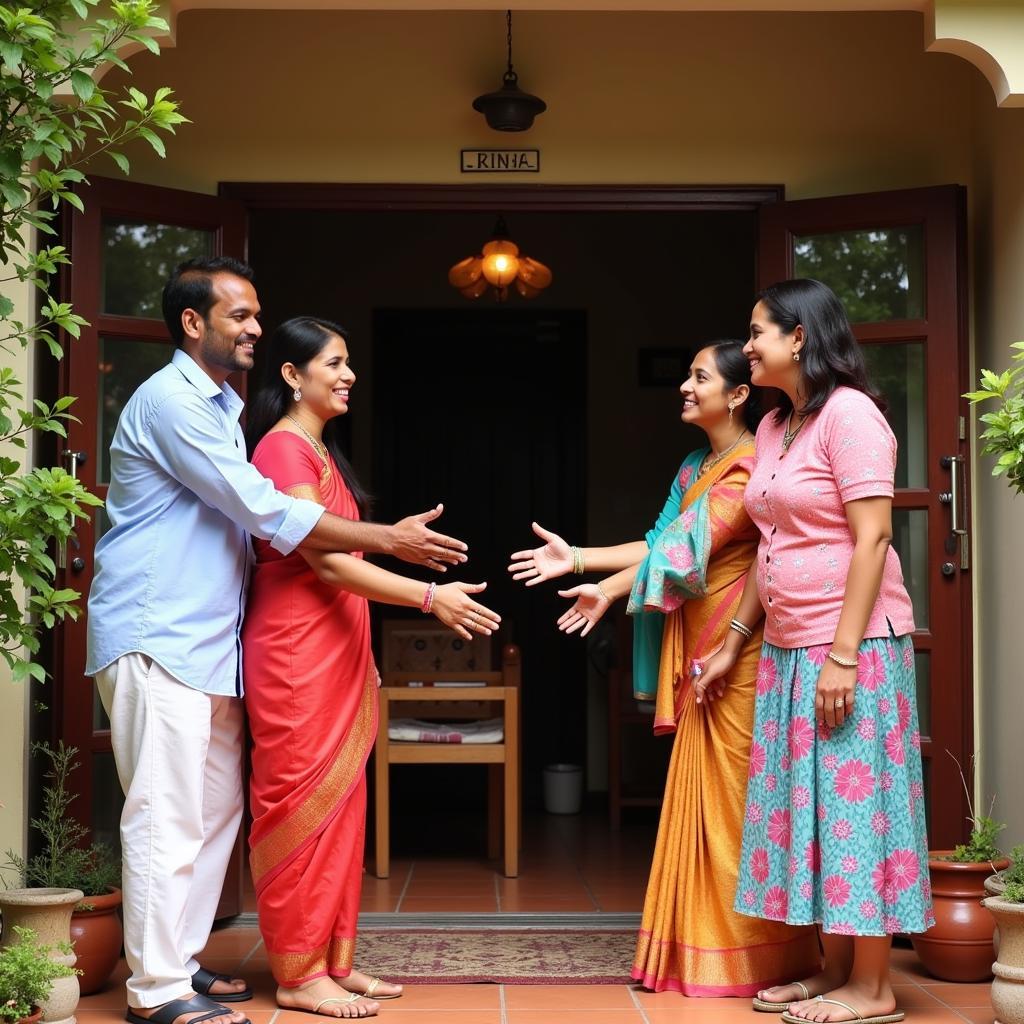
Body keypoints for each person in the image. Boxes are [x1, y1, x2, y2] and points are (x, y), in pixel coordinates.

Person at [86, 258, 471, 1024]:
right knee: (165, 814)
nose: (255, 327)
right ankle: (155, 990)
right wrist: (387, 540)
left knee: (212, 814)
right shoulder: (173, 402)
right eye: (238, 315)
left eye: (258, 314)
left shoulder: (221, 407)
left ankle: (181, 962)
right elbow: (264, 511)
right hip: (157, 634)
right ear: (193, 323)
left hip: (208, 645)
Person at [508, 341, 820, 996]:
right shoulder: (693, 465)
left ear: (737, 394)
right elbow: (659, 542)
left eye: (699, 377)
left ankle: (760, 959)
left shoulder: (748, 468)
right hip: (701, 651)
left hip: (740, 655)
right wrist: (587, 565)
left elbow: (686, 549)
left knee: (736, 810)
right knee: (704, 807)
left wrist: (598, 575)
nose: (685, 385)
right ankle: (700, 952)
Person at [241, 316, 501, 1019]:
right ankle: (297, 974)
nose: (349, 373)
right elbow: (323, 560)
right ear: (293, 375)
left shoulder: (321, 455)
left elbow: (344, 563)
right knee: (300, 808)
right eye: (334, 362)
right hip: (296, 654)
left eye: (350, 361)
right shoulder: (283, 452)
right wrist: (427, 594)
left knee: (343, 808)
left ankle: (330, 961)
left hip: (335, 653)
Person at [698, 279, 932, 1024]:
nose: (749, 345)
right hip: (790, 649)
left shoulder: (851, 414)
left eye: (758, 331)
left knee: (857, 809)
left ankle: (874, 986)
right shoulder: (776, 426)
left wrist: (843, 656)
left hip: (851, 646)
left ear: (799, 338)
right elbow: (772, 544)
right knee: (818, 812)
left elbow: (873, 538)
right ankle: (835, 973)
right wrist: (736, 642)